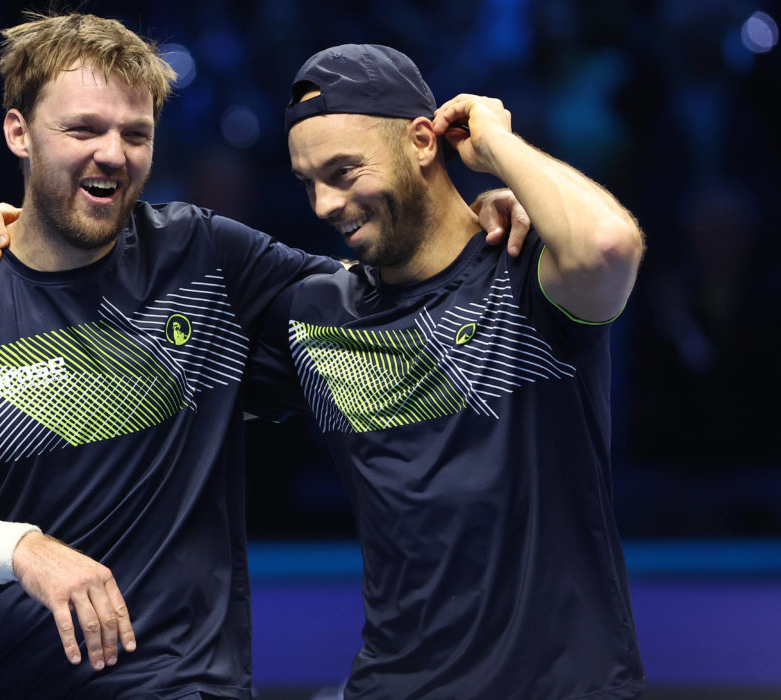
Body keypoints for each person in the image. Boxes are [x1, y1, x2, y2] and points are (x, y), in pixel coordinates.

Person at [0, 12, 524, 700]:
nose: (113, 153)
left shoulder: (204, 257)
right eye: (83, 130)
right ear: (20, 133)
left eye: (136, 134)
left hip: (184, 684)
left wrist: (471, 217)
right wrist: (18, 549)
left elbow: (389, 293)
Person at [242, 45, 646, 698]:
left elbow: (608, 244)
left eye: (343, 171)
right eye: (307, 182)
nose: (323, 204)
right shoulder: (318, 314)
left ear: (423, 141)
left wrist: (497, 146)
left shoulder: (527, 275)